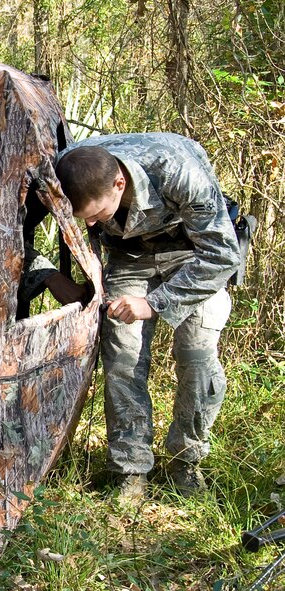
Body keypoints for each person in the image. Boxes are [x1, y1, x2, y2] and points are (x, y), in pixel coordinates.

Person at [54, 132, 241, 502]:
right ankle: (131, 469)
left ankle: (186, 461)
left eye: (96, 215)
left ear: (119, 183)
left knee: (197, 356)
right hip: (129, 259)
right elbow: (7, 225)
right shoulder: (65, 169)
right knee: (123, 360)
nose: (90, 226)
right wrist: (47, 274)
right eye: (83, 219)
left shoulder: (176, 170)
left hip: (194, 255)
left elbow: (222, 254)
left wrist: (155, 302)